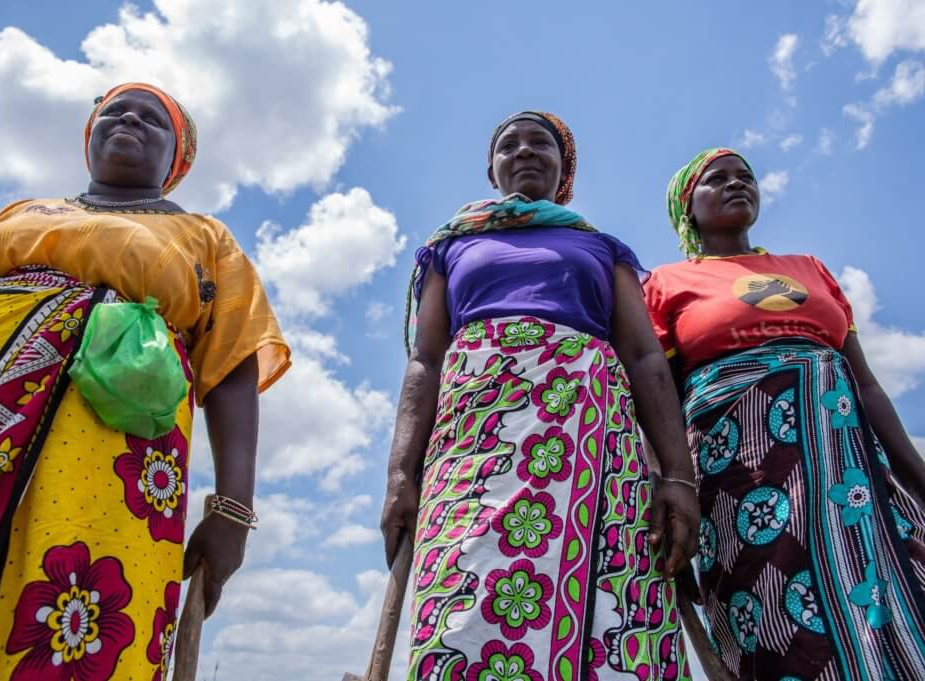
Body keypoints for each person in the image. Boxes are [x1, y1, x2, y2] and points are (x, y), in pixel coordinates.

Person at [0, 82, 290, 679]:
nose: (129, 119)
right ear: (89, 139)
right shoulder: (16, 215)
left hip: (112, 461)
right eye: (113, 112)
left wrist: (232, 511)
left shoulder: (205, 239)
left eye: (153, 120)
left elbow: (232, 370)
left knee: (77, 611)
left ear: (176, 159)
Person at [382, 111, 699, 681]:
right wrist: (401, 475)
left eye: (540, 144)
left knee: (607, 607)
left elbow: (646, 357)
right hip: (476, 442)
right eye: (509, 144)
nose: (524, 151)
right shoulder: (452, 245)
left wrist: (676, 477)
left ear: (564, 167)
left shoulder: (601, 248)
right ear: (491, 168)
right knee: (462, 598)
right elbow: (424, 361)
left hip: (592, 446)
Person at [644, 147, 925, 680]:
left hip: (850, 467)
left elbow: (865, 383)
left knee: (896, 585)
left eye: (744, 176)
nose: (736, 184)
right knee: (774, 608)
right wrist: (670, 483)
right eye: (717, 179)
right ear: (687, 206)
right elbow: (658, 395)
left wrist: (920, 479)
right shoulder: (667, 283)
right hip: (743, 476)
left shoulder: (810, 270)